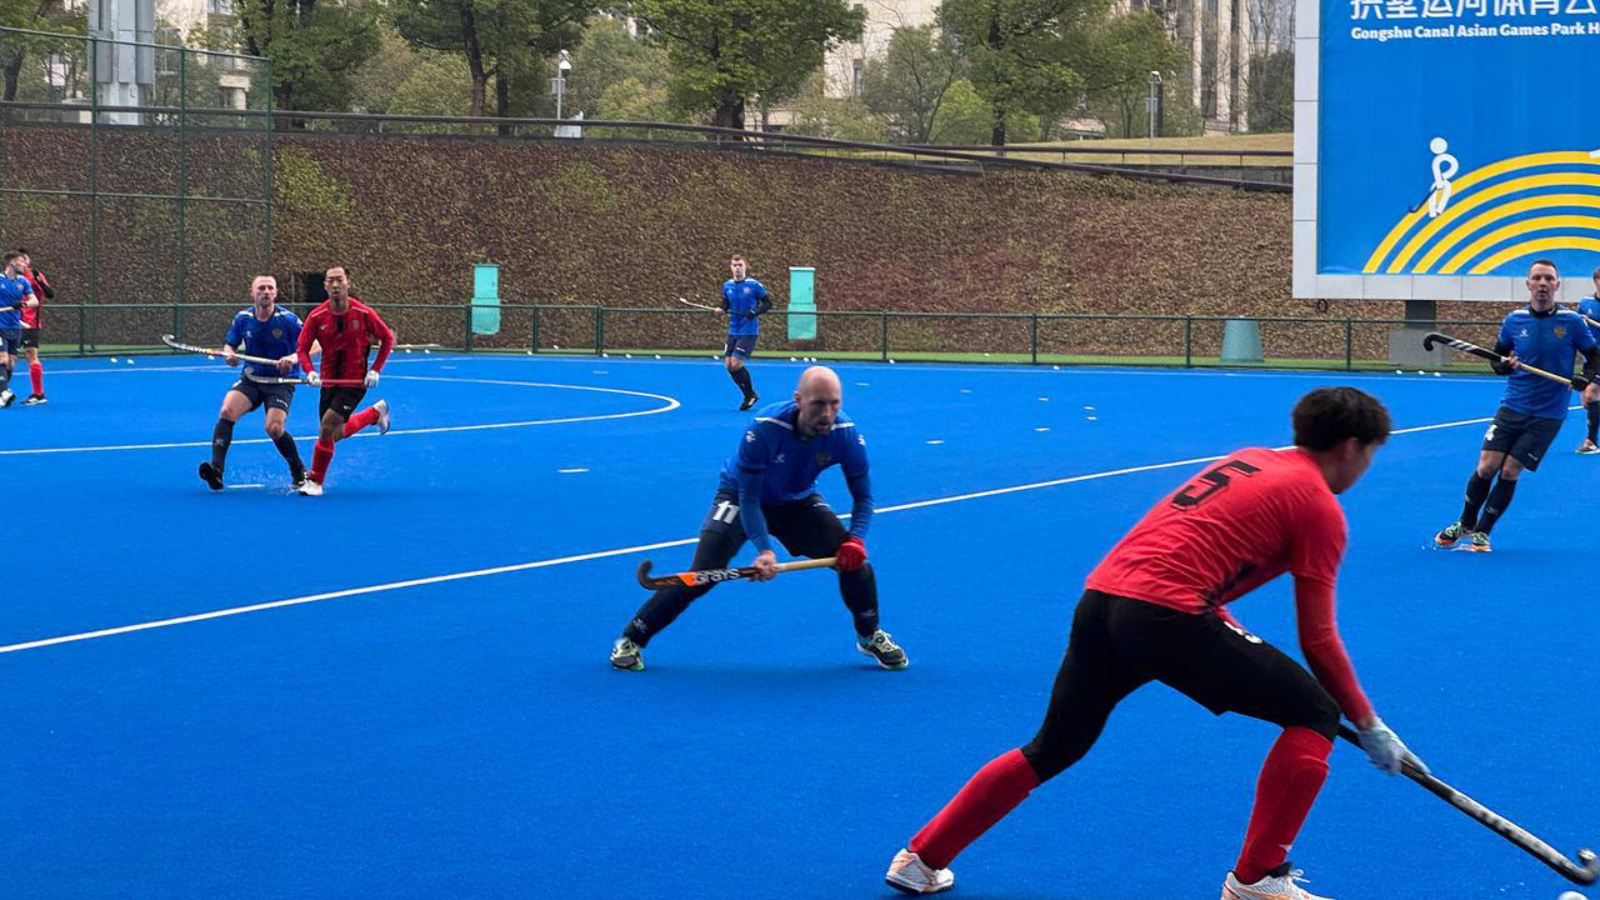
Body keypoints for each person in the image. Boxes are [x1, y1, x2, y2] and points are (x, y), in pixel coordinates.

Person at [884, 387, 1426, 900]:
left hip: (1101, 603)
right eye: (1371, 453)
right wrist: (1368, 723)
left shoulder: (1251, 460)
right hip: (1167, 618)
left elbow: (1186, 553)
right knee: (1315, 713)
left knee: (1053, 746)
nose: (1367, 466)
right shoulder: (1319, 507)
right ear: (1350, 447)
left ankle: (921, 859)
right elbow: (1318, 638)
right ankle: (1257, 879)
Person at [610, 366, 905, 672]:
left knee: (856, 566)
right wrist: (764, 549)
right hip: (740, 496)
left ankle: (869, 635)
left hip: (797, 501)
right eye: (819, 403)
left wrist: (855, 540)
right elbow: (750, 500)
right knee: (703, 574)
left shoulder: (845, 434)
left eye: (834, 403)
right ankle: (632, 638)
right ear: (799, 400)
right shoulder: (765, 428)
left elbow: (864, 498)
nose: (828, 413)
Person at [1434, 259, 1599, 551]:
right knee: (1487, 466)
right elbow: (1497, 361)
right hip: (1512, 405)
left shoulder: (1572, 322)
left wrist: (1584, 379)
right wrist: (1505, 365)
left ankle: (1483, 531)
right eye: (1537, 278)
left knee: (1510, 471)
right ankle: (1465, 522)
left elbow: (1595, 356)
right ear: (1528, 284)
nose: (1543, 283)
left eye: (1548, 278)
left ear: (1557, 285)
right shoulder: (1513, 321)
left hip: (1548, 413)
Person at [198, 275, 307, 491]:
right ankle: (216, 471)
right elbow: (230, 345)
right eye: (261, 288)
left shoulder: (288, 320)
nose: (266, 292)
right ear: (252, 293)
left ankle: (298, 470)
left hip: (280, 381)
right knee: (227, 411)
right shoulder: (243, 318)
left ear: (275, 293)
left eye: (270, 288)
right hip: (252, 379)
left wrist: (293, 358)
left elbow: (313, 345)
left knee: (274, 428)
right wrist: (229, 355)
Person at [293, 266, 395, 497]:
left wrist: (375, 369)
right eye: (331, 281)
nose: (336, 285)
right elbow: (302, 348)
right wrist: (310, 372)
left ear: (348, 283)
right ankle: (374, 414)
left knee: (327, 425)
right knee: (332, 434)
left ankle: (315, 481)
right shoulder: (316, 316)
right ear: (325, 286)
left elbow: (387, 338)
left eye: (340, 280)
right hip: (329, 382)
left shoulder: (364, 313)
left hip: (355, 382)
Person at [716, 255, 772, 411]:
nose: (737, 268)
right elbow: (725, 304)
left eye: (740, 265)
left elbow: (768, 303)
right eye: (734, 265)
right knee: (728, 365)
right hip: (733, 329)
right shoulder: (727, 285)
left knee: (736, 363)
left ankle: (750, 394)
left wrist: (755, 312)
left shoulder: (754, 285)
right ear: (731, 267)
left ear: (745, 266)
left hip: (748, 330)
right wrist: (721, 309)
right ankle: (749, 395)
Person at [14, 248, 52, 405]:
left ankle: (38, 394)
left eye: (24, 259)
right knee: (6, 357)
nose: (22, 262)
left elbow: (50, 294)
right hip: (12, 321)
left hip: (30, 323)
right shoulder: (11, 278)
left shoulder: (34, 275)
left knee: (31, 355)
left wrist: (39, 281)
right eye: (19, 260)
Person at [0, 251, 37, 409]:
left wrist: (23, 304)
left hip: (14, 327)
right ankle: (4, 392)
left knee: (11, 364)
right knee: (2, 358)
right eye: (21, 262)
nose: (24, 265)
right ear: (12, 263)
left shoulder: (23, 281)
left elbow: (34, 301)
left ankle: (2, 392)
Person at [1575, 266, 1600, 454]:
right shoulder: (1585, 303)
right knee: (1587, 400)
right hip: (1590, 357)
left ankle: (1591, 441)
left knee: (1591, 394)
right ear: (1596, 281)